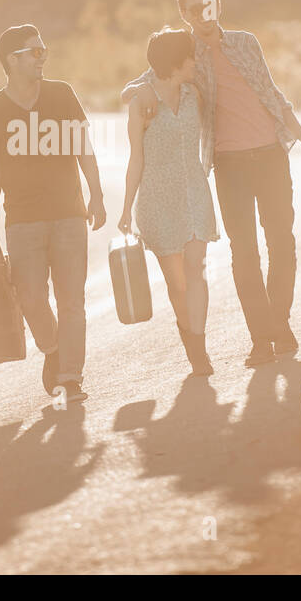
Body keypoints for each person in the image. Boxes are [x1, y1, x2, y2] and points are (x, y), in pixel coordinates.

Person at [122, 0, 301, 366]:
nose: (204, 12)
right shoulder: (187, 54)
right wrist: (138, 91)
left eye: (209, 3)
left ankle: (278, 322)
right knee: (244, 252)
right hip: (230, 165)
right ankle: (261, 339)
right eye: (194, 8)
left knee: (282, 243)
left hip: (271, 155)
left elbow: (273, 95)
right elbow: (149, 77)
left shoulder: (246, 42)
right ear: (184, 15)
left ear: (219, 4)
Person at [0, 24, 106, 402]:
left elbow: (83, 148)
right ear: (11, 60)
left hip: (69, 214)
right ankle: (52, 350)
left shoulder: (61, 95)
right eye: (35, 52)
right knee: (31, 298)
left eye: (43, 50)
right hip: (22, 221)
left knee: (72, 301)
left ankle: (71, 377)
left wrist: (96, 195)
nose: (42, 58)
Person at [118, 28, 219, 376]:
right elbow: (136, 159)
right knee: (177, 283)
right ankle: (190, 339)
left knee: (196, 270)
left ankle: (200, 348)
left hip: (194, 193)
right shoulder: (143, 103)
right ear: (176, 62)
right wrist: (126, 208)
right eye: (190, 56)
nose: (196, 61)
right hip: (157, 198)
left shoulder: (194, 95)